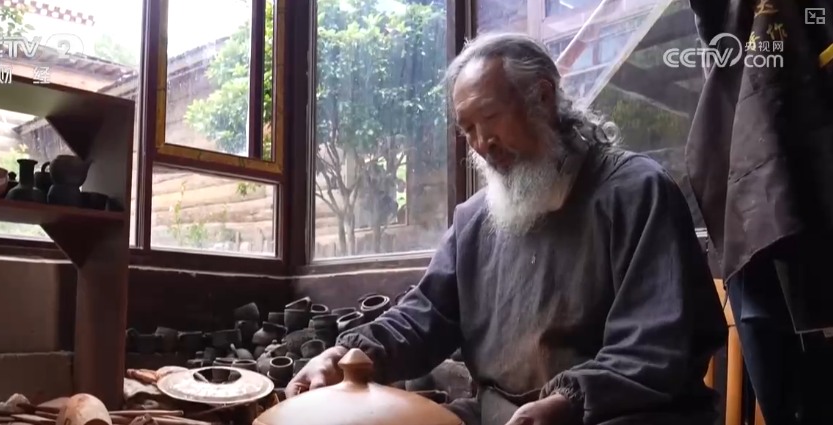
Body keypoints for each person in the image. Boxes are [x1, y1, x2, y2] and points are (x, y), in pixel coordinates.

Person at [286, 32, 727, 425]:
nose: (482, 143)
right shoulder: (475, 219)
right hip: (498, 414)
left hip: (612, 413)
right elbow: (424, 316)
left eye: (491, 117)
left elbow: (655, 345)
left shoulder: (636, 191)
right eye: (468, 130)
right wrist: (345, 354)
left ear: (543, 98)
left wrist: (568, 401)